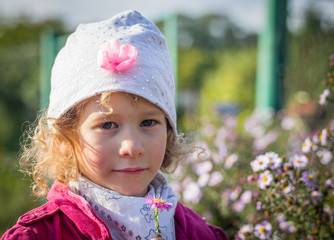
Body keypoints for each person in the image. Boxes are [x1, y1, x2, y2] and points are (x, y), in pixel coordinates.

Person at [1, 10, 229, 240]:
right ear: (63, 139)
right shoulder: (40, 236)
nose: (132, 147)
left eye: (148, 122)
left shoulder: (197, 233)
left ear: (169, 131)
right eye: (108, 125)